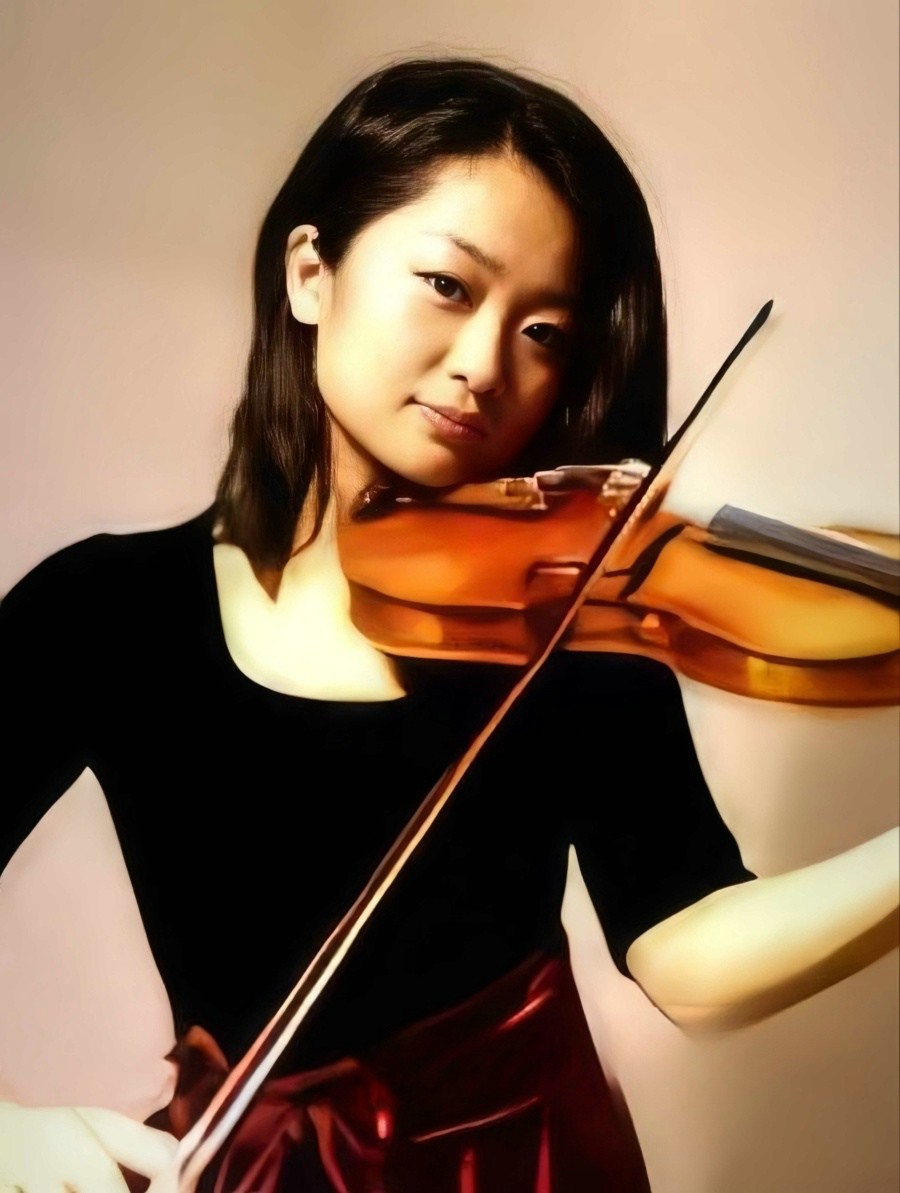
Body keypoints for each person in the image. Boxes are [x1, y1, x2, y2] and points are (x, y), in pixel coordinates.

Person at [1, 56, 897, 1193]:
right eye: (447, 284)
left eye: (545, 331)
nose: (484, 364)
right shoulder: (104, 611)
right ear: (311, 273)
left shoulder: (568, 610)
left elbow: (686, 947)